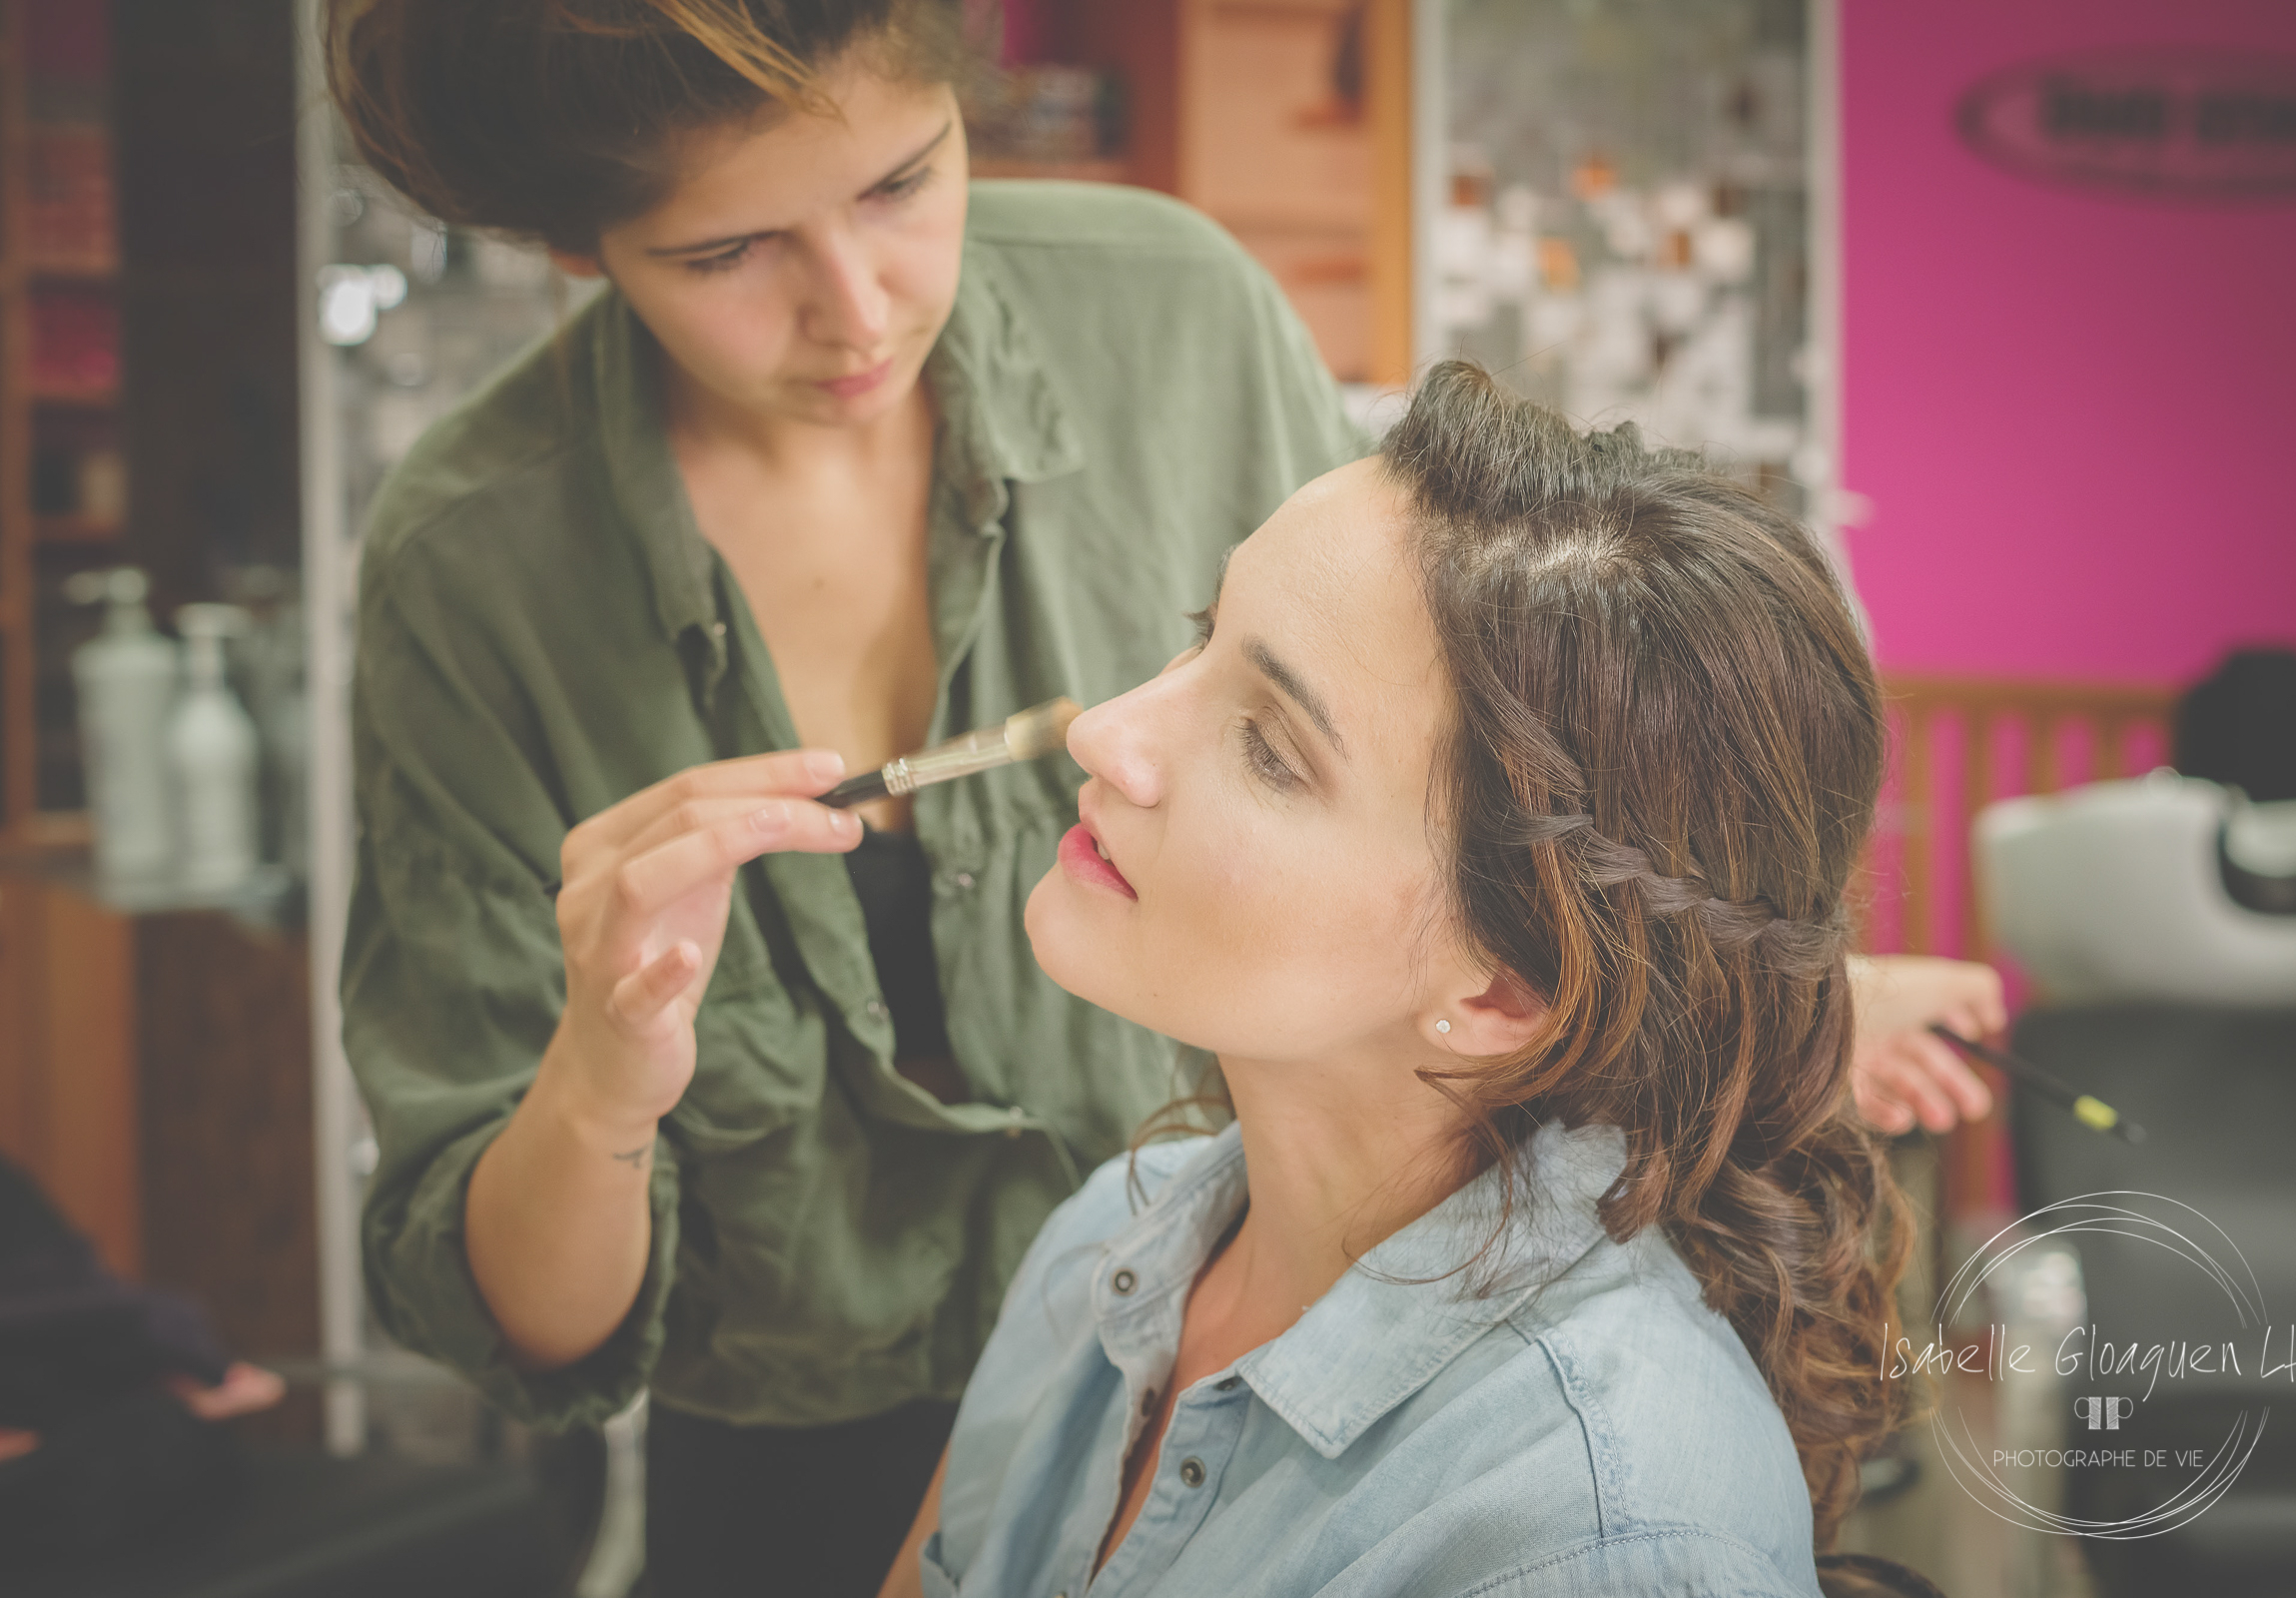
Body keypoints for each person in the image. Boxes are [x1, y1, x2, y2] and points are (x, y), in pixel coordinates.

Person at [325, 3, 1996, 1592]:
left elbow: (1452, 782)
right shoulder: (1103, 1258)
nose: (859, 309)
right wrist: (601, 1086)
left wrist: (1727, 988)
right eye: (724, 251)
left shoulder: (1592, 1519)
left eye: (905, 180)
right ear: (579, 247)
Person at [886, 365, 1918, 1597]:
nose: (1105, 730)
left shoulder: (1588, 1535)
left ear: (1502, 993)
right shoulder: (1108, 1237)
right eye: (1202, 636)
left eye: (1270, 747)